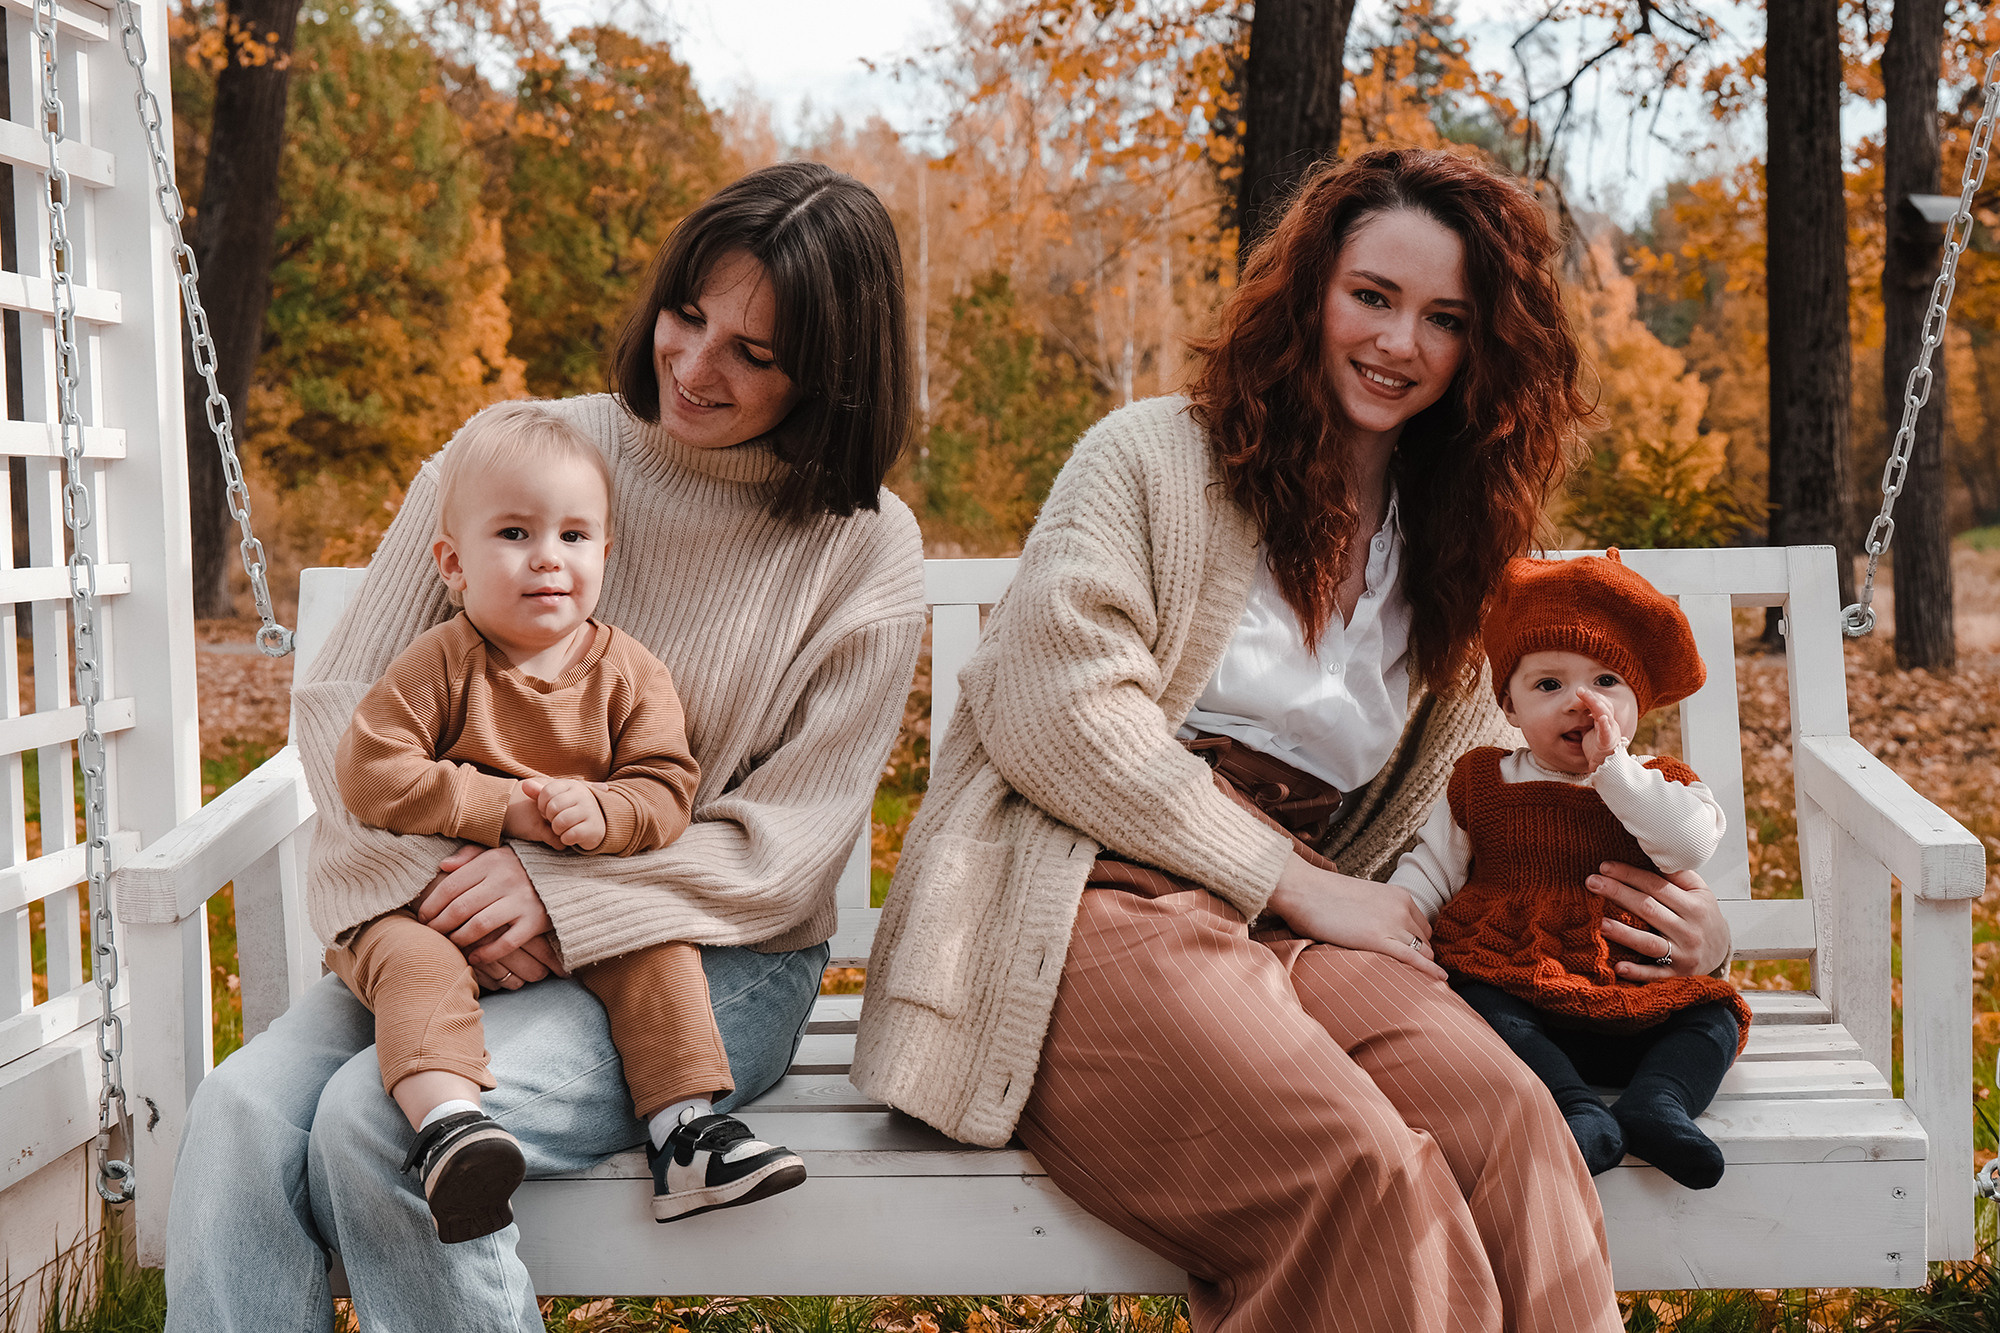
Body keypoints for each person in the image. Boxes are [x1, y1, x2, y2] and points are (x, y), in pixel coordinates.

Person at [854, 147, 1735, 1333]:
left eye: (1444, 318)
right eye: (1370, 295)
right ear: (1309, 290)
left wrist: (1695, 932)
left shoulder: (1456, 541)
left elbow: (1516, 798)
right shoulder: (1151, 458)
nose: (1398, 342)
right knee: (1365, 1174)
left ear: (1483, 348)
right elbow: (1052, 708)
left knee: (1515, 1129)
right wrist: (1290, 881)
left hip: (1307, 921)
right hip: (1087, 899)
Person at [165, 162, 926, 1333]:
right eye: (686, 314)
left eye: (752, 352)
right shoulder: (520, 456)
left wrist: (559, 893)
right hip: (444, 922)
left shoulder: (861, 545)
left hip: (705, 956)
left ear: (831, 371)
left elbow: (789, 844)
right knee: (239, 1114)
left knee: (380, 1122)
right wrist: (453, 889)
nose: (693, 365)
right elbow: (343, 709)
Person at [327, 399, 805, 1244]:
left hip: (578, 918)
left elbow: (666, 792)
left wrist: (605, 810)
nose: (548, 557)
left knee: (654, 948)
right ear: (453, 563)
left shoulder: (630, 674)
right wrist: (503, 806)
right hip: (437, 909)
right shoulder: (441, 663)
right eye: (515, 533)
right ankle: (449, 1128)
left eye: (574, 535)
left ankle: (685, 1132)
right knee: (411, 961)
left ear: (604, 554)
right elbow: (369, 771)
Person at [1386, 552, 1751, 1190]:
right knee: (1474, 1002)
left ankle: (1659, 1102)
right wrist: (1399, 923)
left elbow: (1688, 846)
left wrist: (1615, 772)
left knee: (1714, 1016)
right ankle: (1574, 1108)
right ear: (1510, 704)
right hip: (1519, 990)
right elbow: (1431, 869)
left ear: (1639, 702)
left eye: (1606, 681)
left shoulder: (1661, 784)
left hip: (1638, 995)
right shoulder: (1484, 780)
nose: (1581, 703)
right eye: (1548, 685)